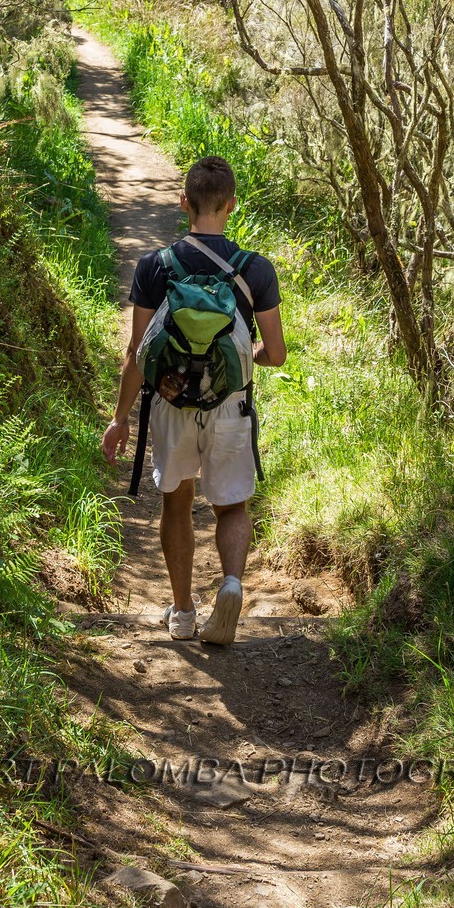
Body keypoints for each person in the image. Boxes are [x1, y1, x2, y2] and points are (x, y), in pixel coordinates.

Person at [101, 155, 286, 646]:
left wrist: (119, 418)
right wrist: (242, 359)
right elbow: (278, 353)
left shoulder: (154, 267)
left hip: (169, 403)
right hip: (231, 406)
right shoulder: (255, 270)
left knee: (177, 504)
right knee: (231, 506)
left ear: (184, 203)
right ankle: (229, 583)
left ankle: (182, 612)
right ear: (230, 206)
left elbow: (139, 354)